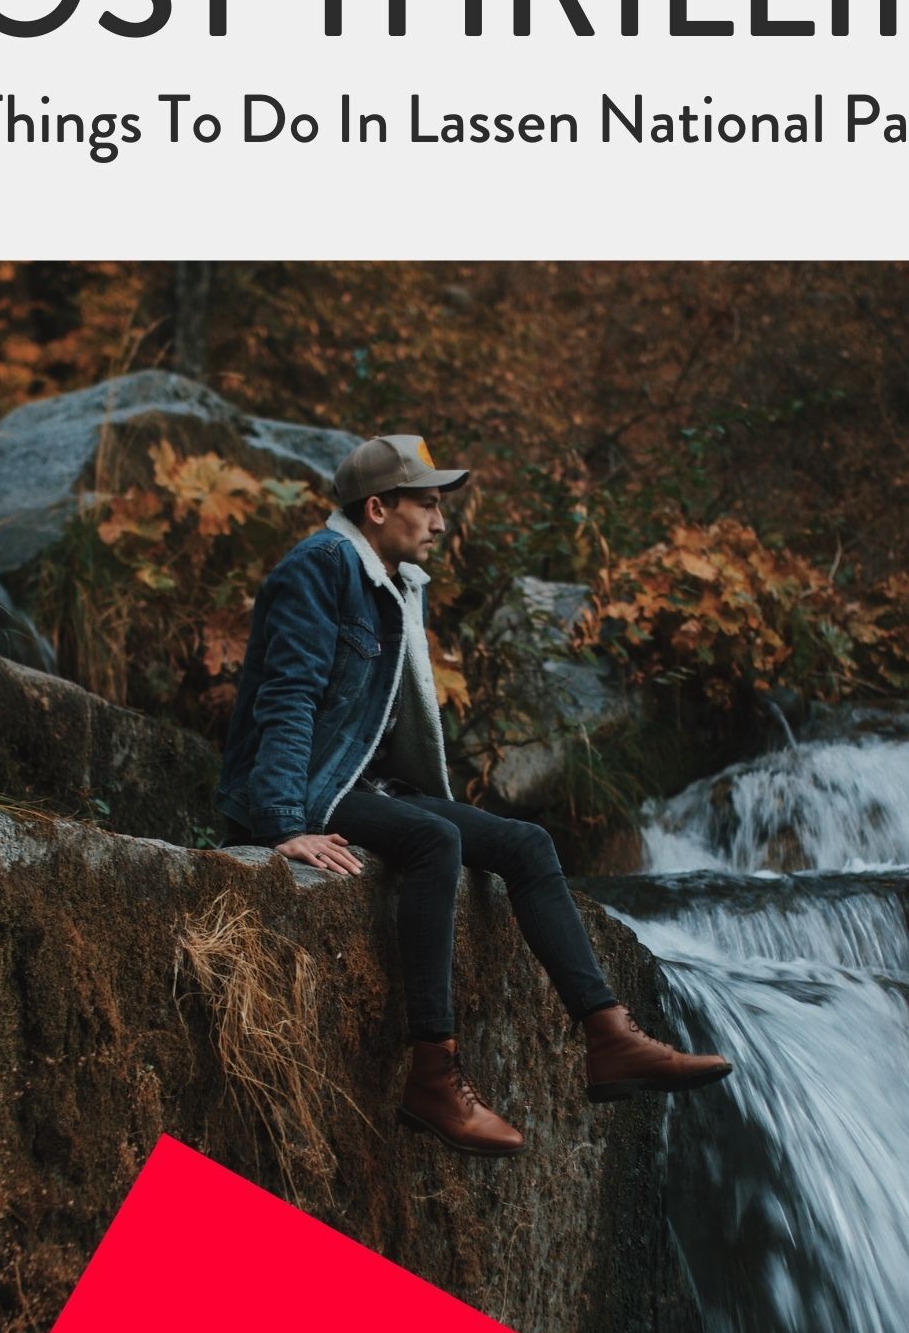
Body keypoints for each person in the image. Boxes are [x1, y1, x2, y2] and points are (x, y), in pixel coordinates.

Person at [215, 433, 732, 1156]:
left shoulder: (392, 583)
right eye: (425, 505)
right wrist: (278, 825)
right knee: (436, 842)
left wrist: (420, 795)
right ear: (375, 507)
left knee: (525, 843)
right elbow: (288, 694)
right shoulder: (322, 565)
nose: (438, 521)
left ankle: (608, 1035)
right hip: (303, 785)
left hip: (356, 778)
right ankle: (433, 1073)